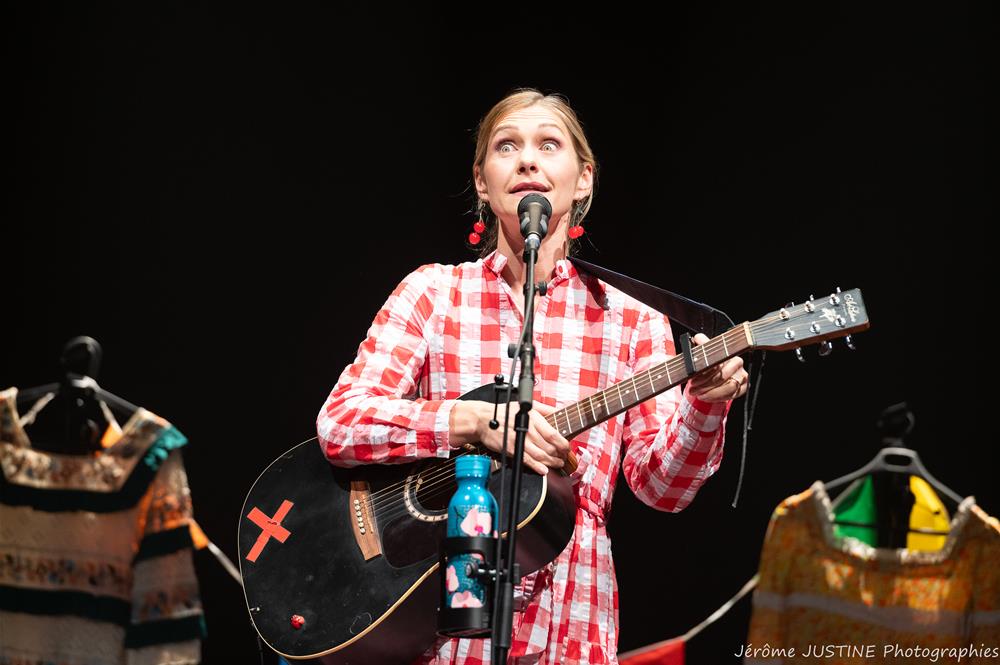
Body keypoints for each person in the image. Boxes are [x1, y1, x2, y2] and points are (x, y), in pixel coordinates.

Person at [316, 87, 748, 665]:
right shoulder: (434, 293)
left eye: (549, 145)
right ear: (481, 181)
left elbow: (663, 489)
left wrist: (705, 405)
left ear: (584, 179)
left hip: (574, 620)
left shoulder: (630, 317)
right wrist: (473, 421)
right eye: (506, 146)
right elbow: (341, 423)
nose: (527, 160)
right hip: (444, 628)